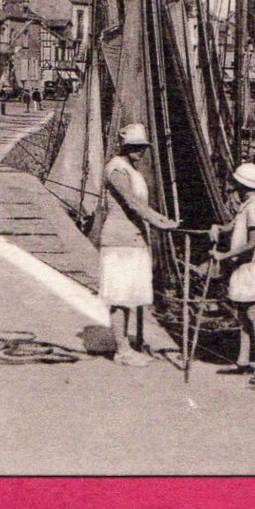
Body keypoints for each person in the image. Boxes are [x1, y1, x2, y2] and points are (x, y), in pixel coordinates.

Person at [93, 123, 178, 366]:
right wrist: (160, 223)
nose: (140, 151)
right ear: (125, 146)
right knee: (119, 295)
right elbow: (132, 203)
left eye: (143, 147)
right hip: (119, 239)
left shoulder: (132, 169)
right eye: (135, 147)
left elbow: (142, 206)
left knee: (130, 295)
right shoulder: (116, 169)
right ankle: (122, 350)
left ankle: (128, 344)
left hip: (135, 238)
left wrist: (163, 220)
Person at [211, 163, 255, 376]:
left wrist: (224, 255)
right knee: (243, 315)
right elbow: (233, 226)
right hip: (242, 267)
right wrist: (218, 228)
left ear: (242, 185)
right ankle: (243, 361)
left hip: (251, 267)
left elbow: (252, 243)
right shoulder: (246, 205)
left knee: (253, 314)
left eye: (236, 183)